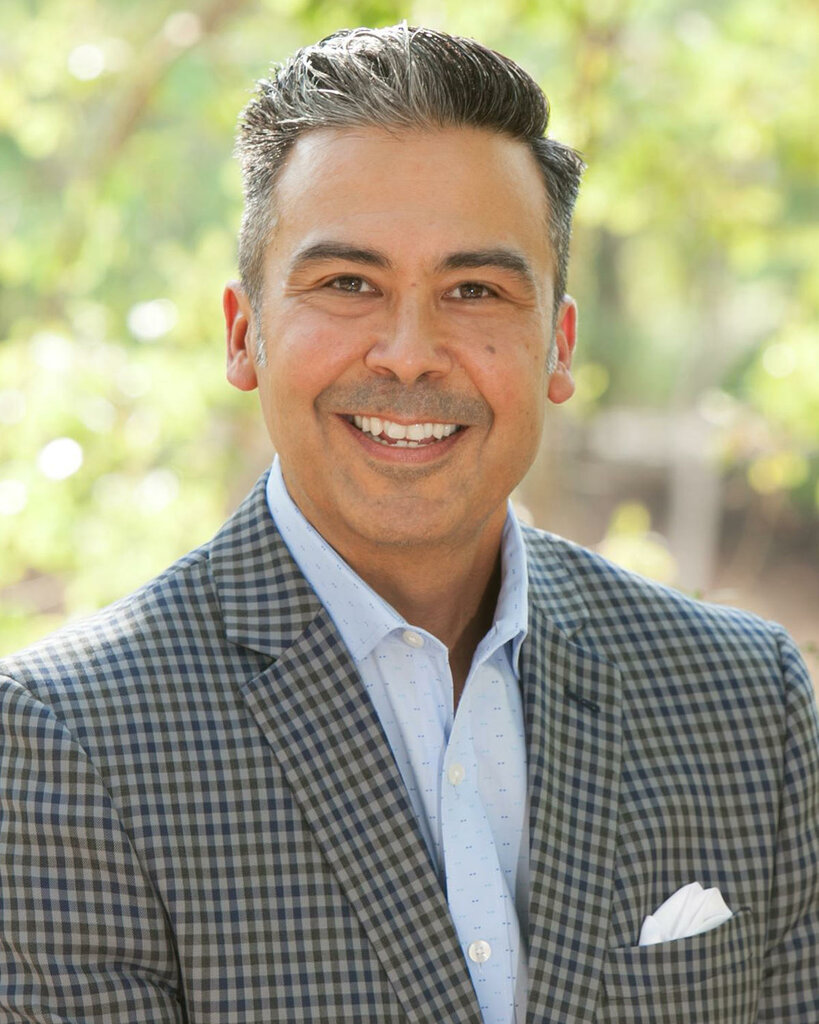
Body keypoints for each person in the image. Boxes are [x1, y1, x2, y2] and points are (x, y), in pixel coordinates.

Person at [1, 24, 816, 1024]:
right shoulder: (64, 738)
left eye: (475, 290)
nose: (409, 352)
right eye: (349, 284)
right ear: (244, 332)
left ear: (558, 346)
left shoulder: (745, 700)